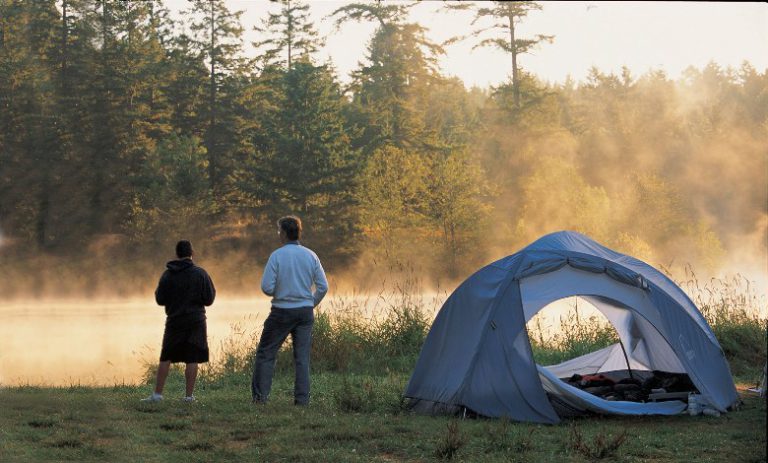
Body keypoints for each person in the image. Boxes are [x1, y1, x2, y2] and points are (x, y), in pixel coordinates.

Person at [252, 216, 328, 406]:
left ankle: (261, 398)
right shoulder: (311, 255)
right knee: (302, 358)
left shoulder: (277, 256)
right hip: (304, 312)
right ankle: (302, 400)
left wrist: (283, 290)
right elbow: (323, 287)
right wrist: (310, 303)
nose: (278, 234)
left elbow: (267, 288)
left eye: (279, 231)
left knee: (266, 353)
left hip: (281, 311)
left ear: (284, 233)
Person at [142, 240, 216, 403]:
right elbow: (209, 299)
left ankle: (157, 395)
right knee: (192, 357)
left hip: (174, 320)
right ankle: (188, 397)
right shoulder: (201, 273)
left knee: (166, 356)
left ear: (176, 254)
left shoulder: (168, 274)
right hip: (196, 320)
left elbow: (160, 299)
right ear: (192, 253)